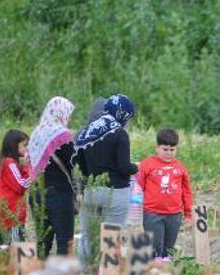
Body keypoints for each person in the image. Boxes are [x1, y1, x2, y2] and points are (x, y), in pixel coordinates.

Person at [75, 94, 138, 261]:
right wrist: (137, 167)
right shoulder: (119, 134)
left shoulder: (85, 132)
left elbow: (80, 166)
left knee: (87, 236)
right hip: (115, 192)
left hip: (91, 190)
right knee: (111, 235)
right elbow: (124, 166)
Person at [27, 96, 77, 258]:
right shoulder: (61, 134)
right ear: (62, 113)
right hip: (58, 194)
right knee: (64, 242)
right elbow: (72, 161)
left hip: (36, 194)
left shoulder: (36, 134)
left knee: (43, 242)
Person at [137, 128, 194, 262]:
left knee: (168, 250)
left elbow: (186, 191)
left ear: (176, 149)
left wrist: (188, 213)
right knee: (155, 248)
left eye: (172, 150)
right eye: (165, 149)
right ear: (157, 148)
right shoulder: (147, 164)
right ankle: (153, 274)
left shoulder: (180, 167)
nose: (168, 153)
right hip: (152, 213)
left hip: (175, 214)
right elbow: (139, 186)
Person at [0, 129, 31, 246]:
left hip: (7, 216)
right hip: (11, 217)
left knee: (5, 251)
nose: (27, 149)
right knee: (14, 251)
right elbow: (21, 186)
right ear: (14, 146)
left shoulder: (7, 162)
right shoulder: (9, 163)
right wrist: (28, 169)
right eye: (25, 145)